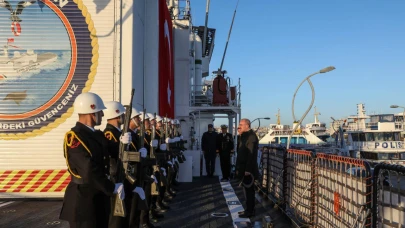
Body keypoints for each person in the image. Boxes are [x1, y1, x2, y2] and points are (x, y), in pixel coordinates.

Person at [59, 92, 128, 228]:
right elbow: (88, 169)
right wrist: (111, 187)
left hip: (98, 197)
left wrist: (122, 142)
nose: (102, 115)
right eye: (100, 112)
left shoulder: (96, 134)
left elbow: (110, 150)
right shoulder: (75, 137)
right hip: (83, 201)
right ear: (92, 113)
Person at [235, 118, 259, 218]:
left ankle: (250, 211)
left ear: (247, 125)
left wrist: (248, 170)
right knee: (246, 190)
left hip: (248, 170)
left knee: (249, 191)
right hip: (243, 168)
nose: (239, 126)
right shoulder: (245, 136)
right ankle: (248, 209)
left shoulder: (251, 137)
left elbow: (251, 154)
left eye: (241, 124)